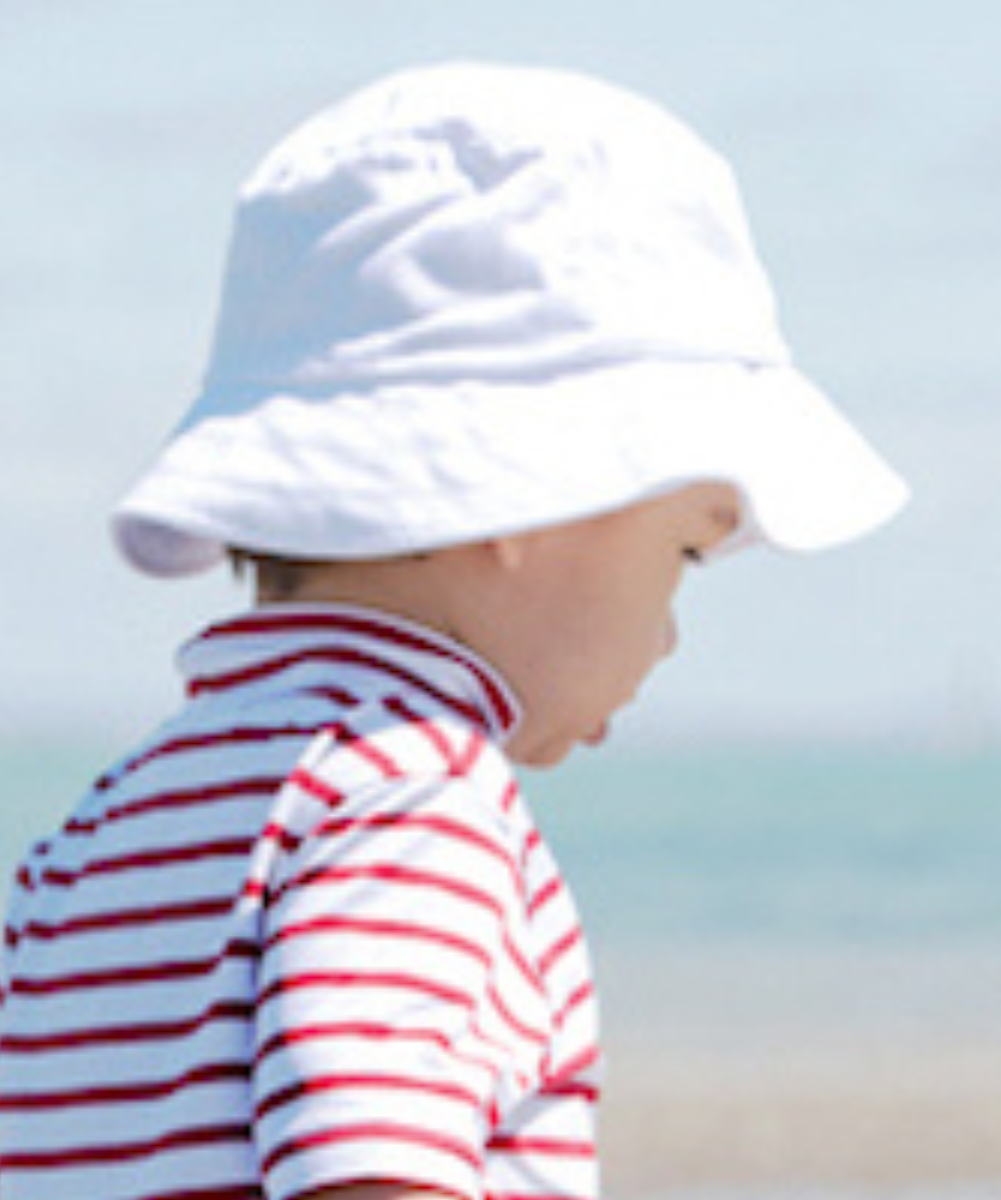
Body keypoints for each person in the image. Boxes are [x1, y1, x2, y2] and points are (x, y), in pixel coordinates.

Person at [0, 63, 907, 1200]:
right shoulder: (408, 803)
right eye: (682, 550)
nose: (672, 632)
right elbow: (374, 1175)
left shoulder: (99, 833)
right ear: (532, 496)